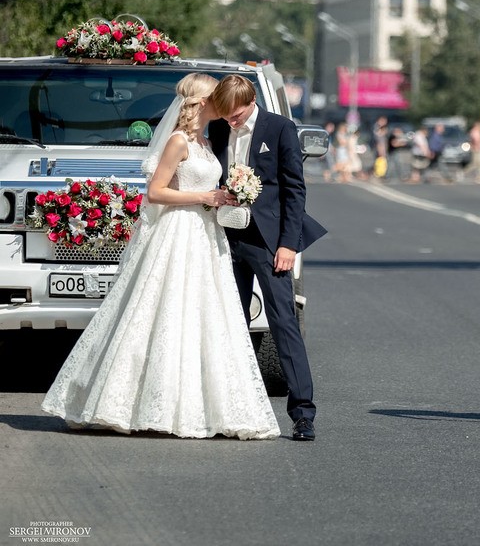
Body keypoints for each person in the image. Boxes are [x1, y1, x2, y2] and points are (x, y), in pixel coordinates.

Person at [42, 73, 280, 440]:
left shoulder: (204, 141)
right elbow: (155, 192)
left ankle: (201, 405)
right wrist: (206, 197)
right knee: (162, 309)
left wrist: (226, 193)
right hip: (178, 232)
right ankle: (134, 402)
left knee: (203, 315)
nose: (222, 103)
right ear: (202, 102)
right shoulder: (178, 141)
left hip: (205, 234)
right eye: (216, 97)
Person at [209, 75, 327, 441]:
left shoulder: (279, 128)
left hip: (269, 244)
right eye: (228, 115)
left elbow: (294, 189)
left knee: (282, 321)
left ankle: (302, 412)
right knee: (228, 322)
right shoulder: (216, 128)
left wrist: (288, 245)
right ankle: (227, 407)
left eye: (238, 114)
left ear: (252, 101)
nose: (233, 121)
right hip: (223, 238)